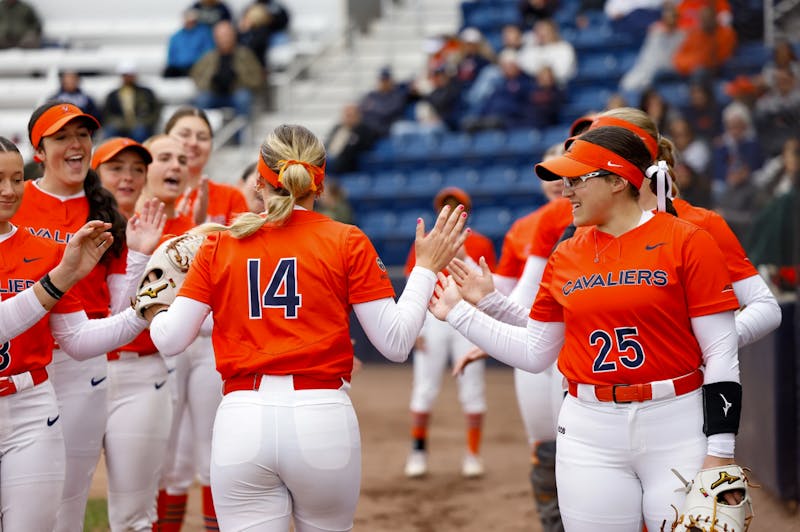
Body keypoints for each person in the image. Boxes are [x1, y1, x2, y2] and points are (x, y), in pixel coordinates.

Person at [141, 123, 467, 531]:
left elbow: (170, 340)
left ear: (259, 182)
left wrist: (152, 304)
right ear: (320, 186)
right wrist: (424, 270)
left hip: (242, 420)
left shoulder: (220, 243)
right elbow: (396, 343)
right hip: (322, 419)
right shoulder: (346, 240)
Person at [432, 125, 745, 531]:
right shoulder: (565, 253)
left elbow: (721, 352)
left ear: (618, 180)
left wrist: (721, 451)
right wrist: (462, 313)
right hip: (588, 429)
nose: (566, 191)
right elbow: (536, 350)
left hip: (677, 422)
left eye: (577, 179)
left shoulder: (687, 240)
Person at [11, 102, 167, 532]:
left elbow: (113, 314)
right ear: (38, 149)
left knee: (68, 503)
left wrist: (136, 253)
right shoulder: (15, 198)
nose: (75, 144)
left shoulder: (106, 211)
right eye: (62, 137)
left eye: (82, 134)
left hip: (82, 367)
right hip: (22, 368)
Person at [154, 107, 249, 531]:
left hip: (213, 336)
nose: (192, 143)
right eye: (183, 134)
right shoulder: (148, 196)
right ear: (166, 139)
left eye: (201, 136)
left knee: (214, 448)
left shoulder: (231, 198)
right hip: (161, 335)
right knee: (168, 454)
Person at [93, 137, 181, 531]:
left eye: (137, 169)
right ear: (95, 175)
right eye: (116, 168)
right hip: (77, 374)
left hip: (142, 374)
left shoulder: (161, 240)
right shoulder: (72, 232)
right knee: (57, 505)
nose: (127, 177)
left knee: (134, 514)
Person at [402, 187, 496, 479]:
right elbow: (413, 284)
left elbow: (490, 287)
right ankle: (418, 452)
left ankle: (473, 454)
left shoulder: (479, 242)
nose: (451, 210)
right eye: (446, 205)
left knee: (473, 391)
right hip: (433, 321)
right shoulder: (427, 241)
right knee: (424, 389)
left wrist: (465, 256)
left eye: (457, 206)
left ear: (466, 210)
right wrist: (414, 325)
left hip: (469, 321)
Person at [191, 21, 265, 125]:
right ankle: (203, 133)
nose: (224, 39)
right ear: (215, 38)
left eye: (227, 35)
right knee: (202, 100)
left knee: (243, 98)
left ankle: (242, 136)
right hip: (214, 93)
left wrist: (240, 78)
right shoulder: (207, 57)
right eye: (221, 36)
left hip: (236, 93)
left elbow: (257, 78)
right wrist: (211, 80)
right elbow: (196, 77)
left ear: (234, 36)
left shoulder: (245, 55)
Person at [103, 62, 162, 143]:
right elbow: (107, 113)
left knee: (139, 132)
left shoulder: (146, 93)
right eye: (125, 75)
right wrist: (117, 122)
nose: (128, 78)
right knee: (110, 131)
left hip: (140, 123)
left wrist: (146, 121)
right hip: (119, 124)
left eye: (130, 75)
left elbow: (155, 111)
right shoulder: (113, 94)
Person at [325, 103, 377, 175]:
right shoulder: (337, 128)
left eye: (350, 115)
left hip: (346, 163)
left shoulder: (363, 130)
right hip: (329, 158)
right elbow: (327, 144)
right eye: (346, 115)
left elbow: (360, 148)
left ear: (358, 116)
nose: (347, 118)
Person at [164, 8, 216, 78]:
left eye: (192, 20)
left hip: (196, 66)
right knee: (168, 73)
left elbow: (209, 52)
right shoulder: (176, 36)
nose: (190, 22)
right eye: (187, 19)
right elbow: (171, 56)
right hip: (178, 67)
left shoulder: (204, 33)